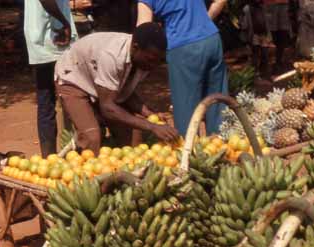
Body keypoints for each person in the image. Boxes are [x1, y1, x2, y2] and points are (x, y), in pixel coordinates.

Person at [54, 23, 179, 153]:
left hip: (98, 81)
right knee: (91, 137)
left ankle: (125, 171)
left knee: (134, 134)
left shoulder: (144, 59)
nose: (154, 65)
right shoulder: (112, 56)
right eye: (151, 60)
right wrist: (152, 127)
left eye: (159, 61)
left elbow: (125, 90)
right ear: (135, 48)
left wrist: (149, 113)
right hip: (73, 78)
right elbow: (108, 108)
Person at [137, 0, 228, 137]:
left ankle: (190, 153)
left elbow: (143, 29)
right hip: (212, 40)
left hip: (182, 47)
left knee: (186, 109)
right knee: (218, 102)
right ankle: (224, 147)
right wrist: (205, 22)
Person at [23, 0, 77, 157]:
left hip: (41, 40)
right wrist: (64, 21)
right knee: (71, 98)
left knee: (46, 101)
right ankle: (72, 154)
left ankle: (50, 157)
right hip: (54, 38)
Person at [263, 0, 291, 72]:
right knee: (269, 40)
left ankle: (278, 62)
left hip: (283, 10)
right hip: (270, 10)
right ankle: (266, 67)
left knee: (282, 38)